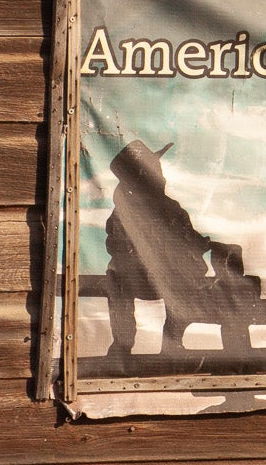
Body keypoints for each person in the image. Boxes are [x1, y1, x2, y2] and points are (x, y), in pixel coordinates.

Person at [102, 139, 257, 366]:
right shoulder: (152, 209)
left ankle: (130, 344)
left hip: (149, 280)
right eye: (156, 169)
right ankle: (161, 341)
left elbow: (190, 240)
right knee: (170, 281)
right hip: (151, 281)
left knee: (129, 280)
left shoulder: (132, 210)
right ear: (144, 176)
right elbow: (188, 242)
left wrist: (198, 244)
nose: (161, 174)